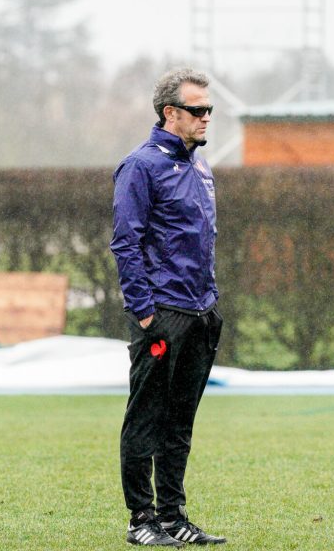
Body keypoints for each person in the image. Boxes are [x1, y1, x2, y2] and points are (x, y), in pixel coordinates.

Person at [110, 67, 227, 547]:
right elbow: (126, 243)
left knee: (180, 422)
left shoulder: (200, 165)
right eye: (197, 110)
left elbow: (201, 242)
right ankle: (142, 521)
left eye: (209, 110)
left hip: (201, 313)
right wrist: (145, 313)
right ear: (170, 113)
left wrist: (211, 304)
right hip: (164, 314)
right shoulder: (141, 166)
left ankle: (173, 516)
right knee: (146, 418)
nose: (206, 118)